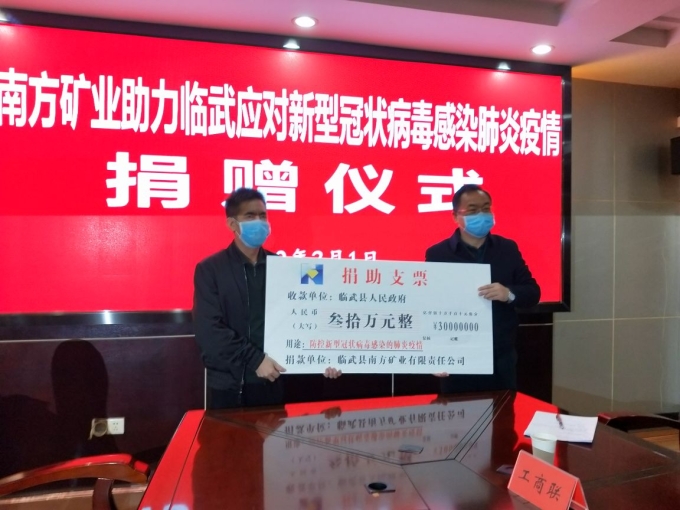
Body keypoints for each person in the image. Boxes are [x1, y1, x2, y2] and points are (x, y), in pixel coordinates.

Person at [193, 188, 340, 410]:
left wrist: (325, 357)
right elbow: (209, 331)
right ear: (232, 224)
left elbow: (304, 318)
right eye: (250, 216)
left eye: (263, 216)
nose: (259, 222)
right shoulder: (211, 269)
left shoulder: (284, 267)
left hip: (274, 382)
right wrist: (255, 359)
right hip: (231, 387)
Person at [425, 184, 540, 393]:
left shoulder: (507, 248)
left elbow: (532, 293)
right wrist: (435, 352)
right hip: (457, 357)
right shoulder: (438, 254)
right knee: (457, 413)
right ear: (455, 216)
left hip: (501, 357)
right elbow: (429, 306)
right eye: (473, 210)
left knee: (503, 413)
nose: (481, 214)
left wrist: (508, 294)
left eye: (486, 209)